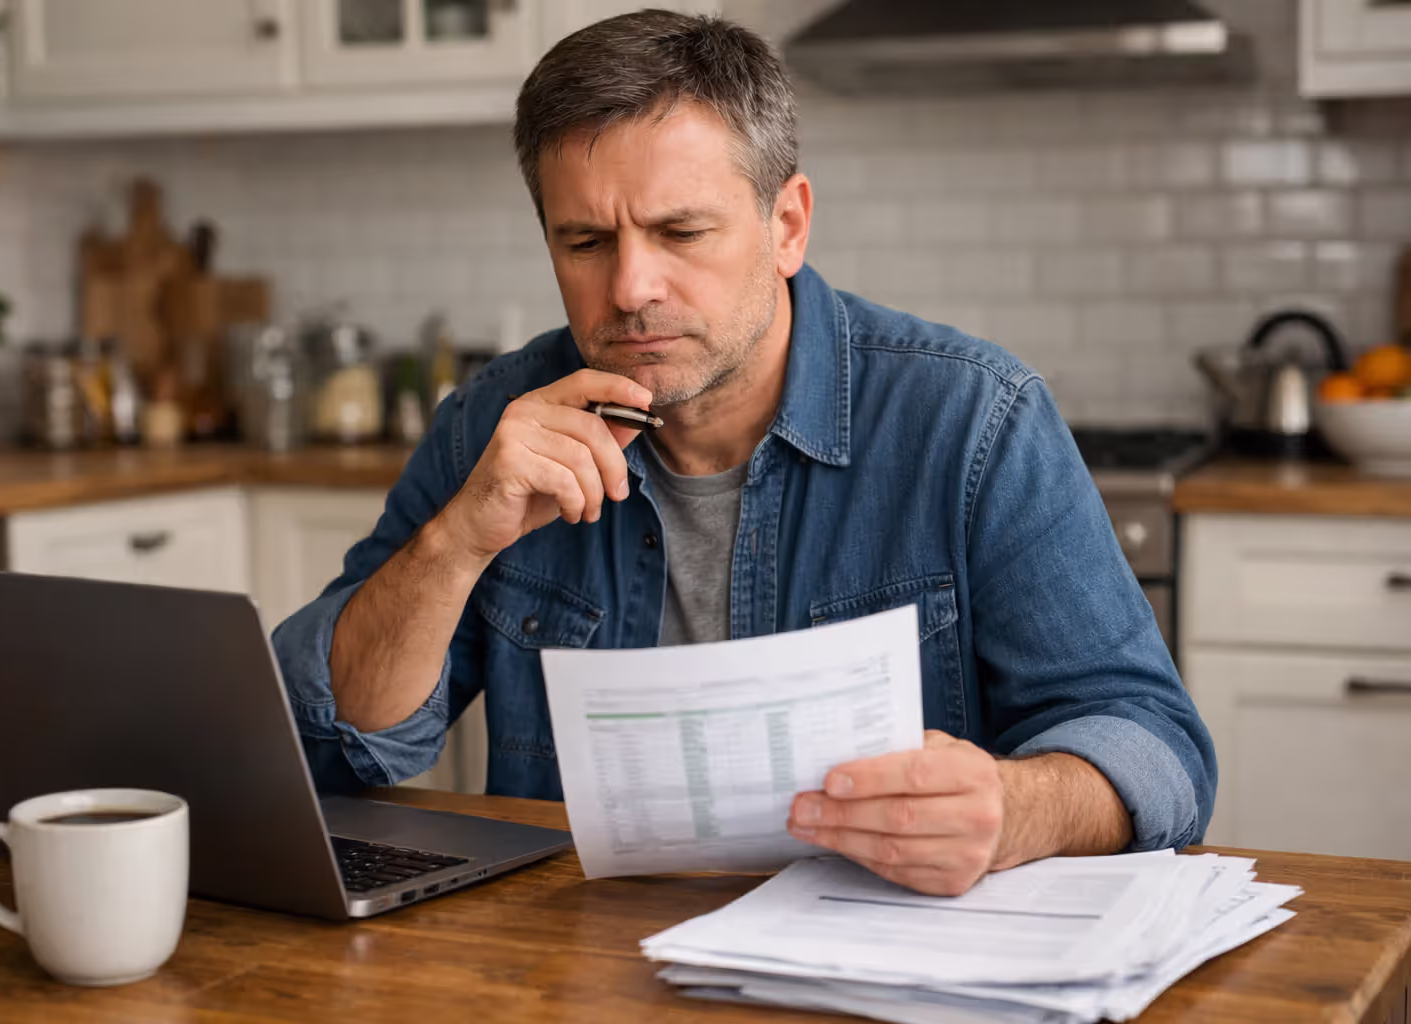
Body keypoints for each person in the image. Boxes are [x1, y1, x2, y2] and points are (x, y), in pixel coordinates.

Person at [274, 10, 1215, 897]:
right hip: (575, 964)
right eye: (586, 241)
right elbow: (331, 746)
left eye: (681, 231)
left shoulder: (972, 418)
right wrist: (456, 544)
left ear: (787, 225)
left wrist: (1015, 811)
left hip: (881, 953)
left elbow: (1157, 748)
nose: (632, 286)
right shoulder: (497, 422)